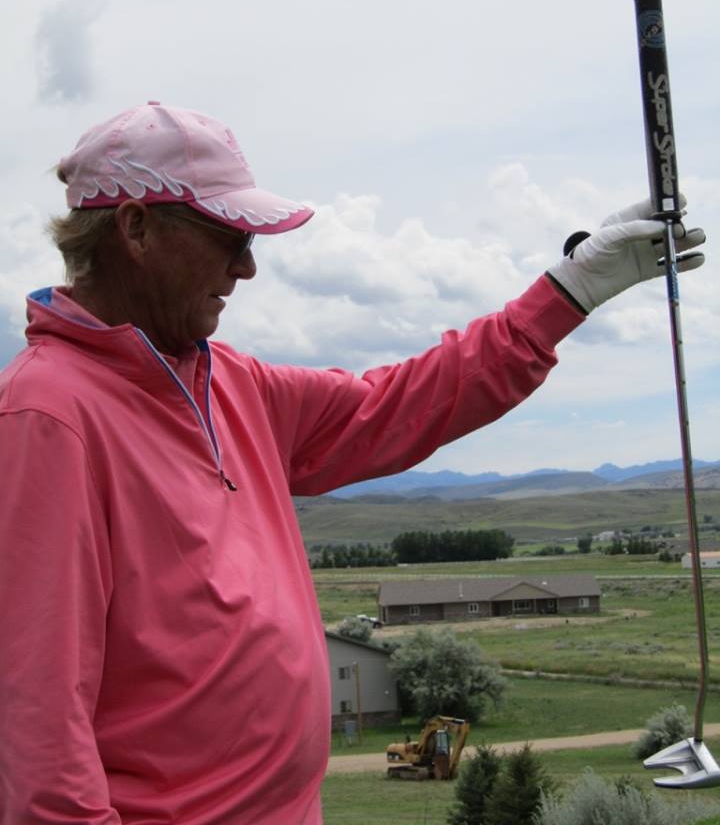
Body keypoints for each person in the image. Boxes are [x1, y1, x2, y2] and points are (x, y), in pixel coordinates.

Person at [0, 102, 705, 824]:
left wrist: (570, 291)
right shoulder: (48, 416)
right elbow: (40, 734)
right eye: (229, 236)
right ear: (136, 228)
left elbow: (400, 404)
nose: (246, 267)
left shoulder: (229, 384)